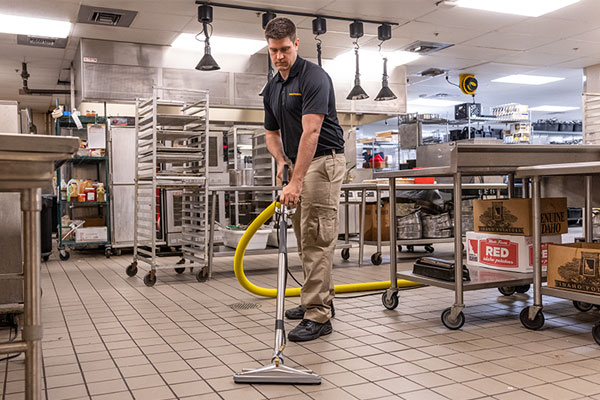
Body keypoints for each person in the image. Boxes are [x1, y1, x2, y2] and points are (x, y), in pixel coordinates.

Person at [262, 17, 345, 342]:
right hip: (299, 163)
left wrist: (296, 181)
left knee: (316, 239)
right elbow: (270, 132)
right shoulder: (273, 87)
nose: (279, 56)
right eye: (273, 51)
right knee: (303, 235)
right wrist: (282, 160)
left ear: (296, 44)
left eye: (284, 49)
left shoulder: (314, 78)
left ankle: (319, 315)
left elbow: (311, 132)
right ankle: (317, 300)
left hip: (323, 162)